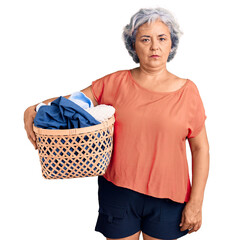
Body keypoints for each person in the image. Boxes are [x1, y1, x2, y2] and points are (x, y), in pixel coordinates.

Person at [24, 7, 210, 240]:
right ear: (133, 45)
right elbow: (69, 104)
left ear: (171, 44)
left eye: (162, 38)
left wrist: (197, 202)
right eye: (145, 39)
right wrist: (32, 109)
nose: (155, 46)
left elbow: (200, 148)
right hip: (119, 191)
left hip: (169, 197)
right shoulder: (114, 83)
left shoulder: (188, 92)